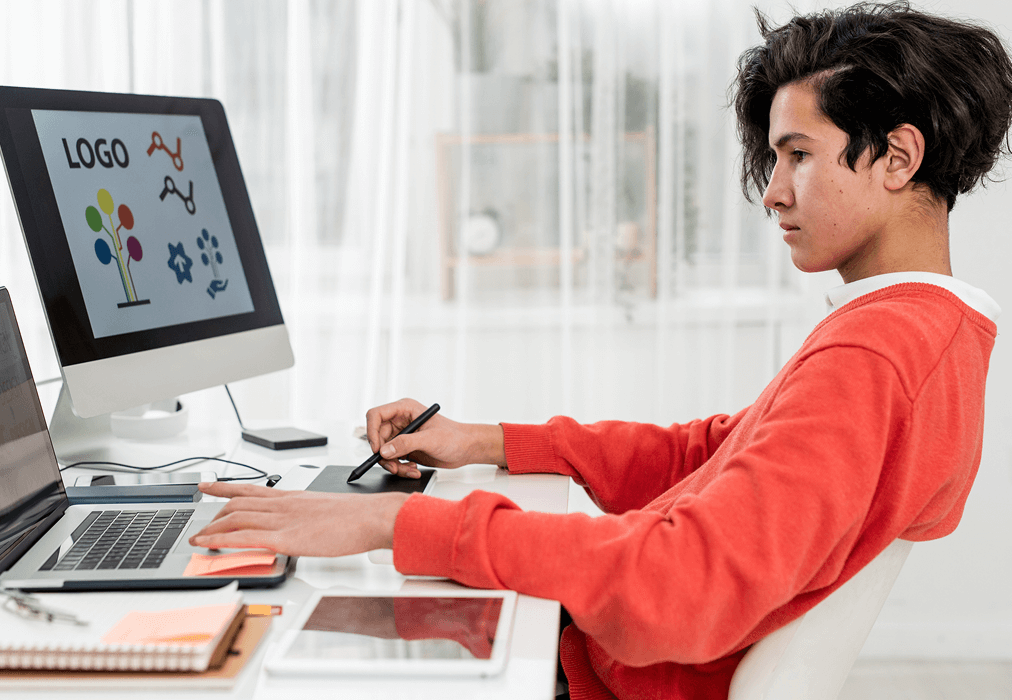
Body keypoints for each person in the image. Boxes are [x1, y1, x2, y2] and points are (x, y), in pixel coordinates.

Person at [191, 3, 1012, 698]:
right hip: (602, 662)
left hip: (599, 678)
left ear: (899, 157)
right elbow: (712, 452)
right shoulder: (924, 332)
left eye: (799, 154)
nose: (773, 191)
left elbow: (682, 583)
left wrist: (397, 519)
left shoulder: (876, 354)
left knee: (251, 646)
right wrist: (484, 443)